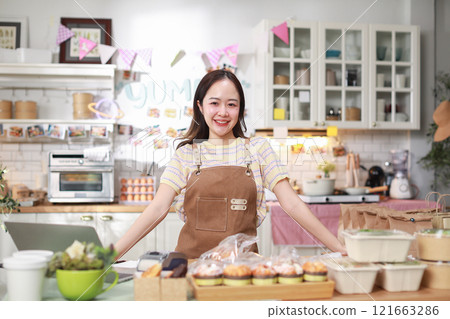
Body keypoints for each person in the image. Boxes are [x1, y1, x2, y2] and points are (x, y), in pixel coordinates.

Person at [115, 69, 346, 259]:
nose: (223, 112)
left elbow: (292, 204)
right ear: (200, 106)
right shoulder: (186, 154)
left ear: (241, 110)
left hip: (243, 270)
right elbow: (158, 208)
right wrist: (112, 255)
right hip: (192, 267)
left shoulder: (258, 150)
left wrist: (339, 248)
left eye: (232, 105)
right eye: (214, 103)